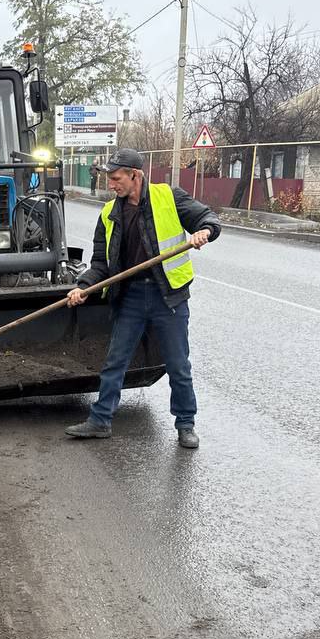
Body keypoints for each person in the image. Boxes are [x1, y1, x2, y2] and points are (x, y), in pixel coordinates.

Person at [64, 148, 220, 449]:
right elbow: (101, 263)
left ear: (135, 175)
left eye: (116, 178)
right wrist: (83, 286)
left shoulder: (168, 197)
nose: (111, 185)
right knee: (115, 362)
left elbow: (207, 218)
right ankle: (100, 420)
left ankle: (186, 424)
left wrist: (205, 231)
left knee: (178, 364)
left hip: (168, 296)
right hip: (131, 297)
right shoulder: (109, 213)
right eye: (109, 179)